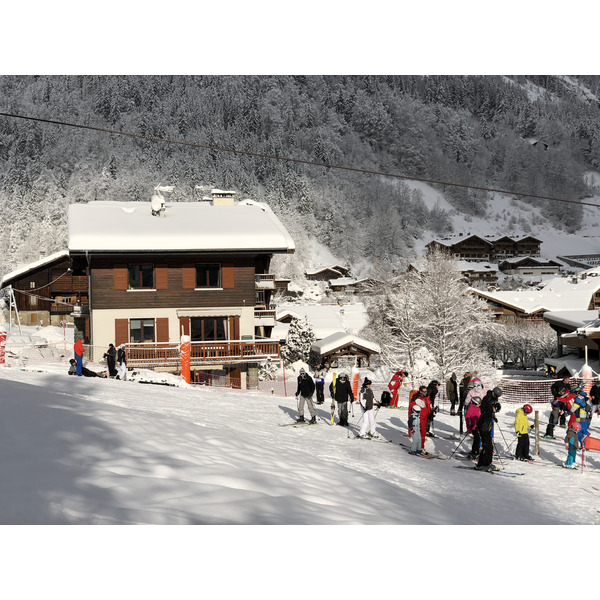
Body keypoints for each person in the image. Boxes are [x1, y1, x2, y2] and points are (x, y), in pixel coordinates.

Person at [476, 386, 502, 471]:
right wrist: (492, 409)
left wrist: (496, 408)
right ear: (493, 393)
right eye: (496, 396)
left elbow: (495, 407)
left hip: (487, 425)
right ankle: (483, 464)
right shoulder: (487, 398)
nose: (497, 398)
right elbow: (485, 409)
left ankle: (485, 463)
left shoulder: (493, 399)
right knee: (487, 446)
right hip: (483, 425)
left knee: (489, 446)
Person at [408, 385, 431, 451]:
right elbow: (411, 408)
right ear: (420, 391)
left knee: (424, 432)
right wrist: (411, 417)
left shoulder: (427, 397)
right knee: (422, 431)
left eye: (426, 391)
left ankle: (420, 446)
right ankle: (421, 447)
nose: (425, 393)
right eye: (424, 392)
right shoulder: (416, 398)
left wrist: (431, 411)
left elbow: (427, 406)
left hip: (425, 417)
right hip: (419, 417)